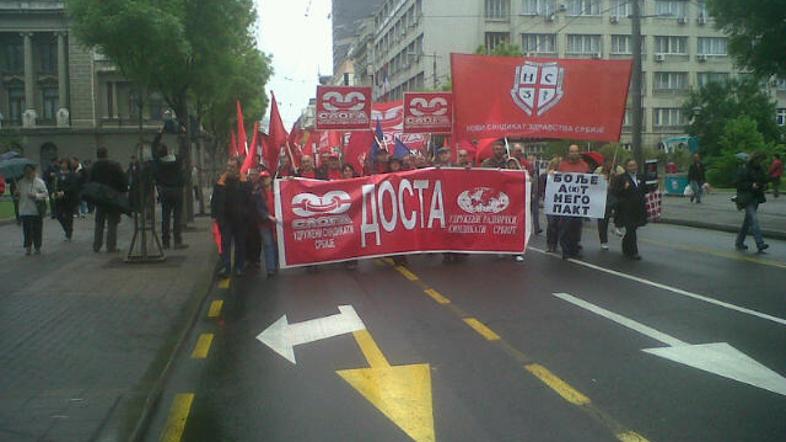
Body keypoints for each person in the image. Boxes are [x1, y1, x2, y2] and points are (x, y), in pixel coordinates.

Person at [211, 158, 253, 277]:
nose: (229, 169)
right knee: (225, 244)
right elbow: (215, 200)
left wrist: (247, 215)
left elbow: (250, 200)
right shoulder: (220, 182)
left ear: (238, 168)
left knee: (240, 244)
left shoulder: (245, 182)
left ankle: (239, 266)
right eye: (228, 166)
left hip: (240, 219)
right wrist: (214, 216)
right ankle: (226, 267)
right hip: (225, 219)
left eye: (232, 167)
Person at [90, 146, 128, 253]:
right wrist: (122, 192)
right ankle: (111, 246)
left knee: (99, 222)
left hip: (99, 197)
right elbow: (123, 181)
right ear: (106, 154)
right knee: (112, 222)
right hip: (112, 197)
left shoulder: (94, 167)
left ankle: (96, 245)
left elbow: (90, 181)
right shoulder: (114, 165)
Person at [557, 145, 590, 259]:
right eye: (572, 151)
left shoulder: (584, 166)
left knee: (577, 227)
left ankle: (574, 248)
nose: (574, 154)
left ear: (579, 153)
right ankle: (565, 250)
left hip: (578, 202)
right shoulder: (562, 165)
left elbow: (590, 181)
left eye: (576, 151)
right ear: (569, 153)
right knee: (565, 227)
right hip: (566, 203)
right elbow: (556, 181)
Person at [153, 141, 187, 249]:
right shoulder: (176, 161)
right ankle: (177, 241)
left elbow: (153, 149)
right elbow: (183, 152)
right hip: (177, 191)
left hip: (164, 191)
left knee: (165, 217)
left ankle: (165, 242)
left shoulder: (158, 163)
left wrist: (158, 135)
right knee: (177, 217)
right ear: (167, 151)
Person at [613, 159, 648, 260]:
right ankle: (634, 252)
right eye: (630, 166)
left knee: (633, 229)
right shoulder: (622, 178)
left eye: (634, 165)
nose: (633, 168)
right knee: (631, 229)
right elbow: (615, 192)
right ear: (626, 167)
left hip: (638, 208)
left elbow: (645, 190)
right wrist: (624, 188)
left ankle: (625, 246)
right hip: (626, 209)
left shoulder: (641, 177)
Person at [735, 152, 770, 253]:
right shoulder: (744, 169)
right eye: (758, 160)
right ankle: (760, 243)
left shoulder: (760, 169)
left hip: (755, 197)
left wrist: (764, 185)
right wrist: (751, 185)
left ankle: (739, 241)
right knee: (754, 219)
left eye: (760, 160)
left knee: (748, 221)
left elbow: (764, 179)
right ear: (753, 159)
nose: (759, 162)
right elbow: (737, 182)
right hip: (746, 197)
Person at [15, 164, 48, 255]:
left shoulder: (39, 182)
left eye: (30, 171)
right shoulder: (21, 182)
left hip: (36, 210)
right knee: (27, 230)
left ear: (34, 172)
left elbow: (45, 194)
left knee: (37, 229)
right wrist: (16, 194)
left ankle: (37, 246)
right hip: (24, 210)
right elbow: (17, 197)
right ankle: (28, 247)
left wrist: (36, 195)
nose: (28, 174)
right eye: (26, 172)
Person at [594, 158, 625, 250]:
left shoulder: (619, 169)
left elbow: (623, 180)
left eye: (610, 162)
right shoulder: (599, 170)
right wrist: (602, 177)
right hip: (602, 196)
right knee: (603, 220)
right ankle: (603, 241)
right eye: (606, 162)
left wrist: (615, 177)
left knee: (620, 206)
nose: (609, 164)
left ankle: (617, 225)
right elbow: (593, 181)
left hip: (614, 194)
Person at [52, 158, 80, 241]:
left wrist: (64, 192)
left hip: (69, 198)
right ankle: (66, 229)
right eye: (62, 163)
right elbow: (55, 185)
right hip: (59, 199)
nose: (63, 165)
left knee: (69, 216)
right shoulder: (58, 175)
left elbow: (73, 186)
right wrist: (56, 192)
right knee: (58, 215)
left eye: (65, 163)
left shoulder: (72, 174)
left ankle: (69, 233)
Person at [506, 157, 526, 263]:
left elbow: (529, 183)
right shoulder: (503, 174)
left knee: (517, 229)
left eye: (513, 164)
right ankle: (504, 249)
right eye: (510, 164)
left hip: (518, 206)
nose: (512, 166)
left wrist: (525, 175)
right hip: (507, 206)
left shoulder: (522, 173)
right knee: (506, 229)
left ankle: (517, 252)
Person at [545, 157, 562, 253]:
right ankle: (550, 244)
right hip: (550, 202)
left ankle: (554, 244)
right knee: (551, 223)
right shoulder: (546, 176)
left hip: (559, 203)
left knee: (557, 224)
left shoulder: (563, 175)